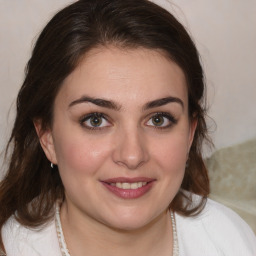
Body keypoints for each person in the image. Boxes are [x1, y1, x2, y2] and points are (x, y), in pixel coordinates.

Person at [0, 0, 255, 255]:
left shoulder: (230, 240)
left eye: (158, 119)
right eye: (96, 120)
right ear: (47, 137)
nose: (132, 156)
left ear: (189, 134)